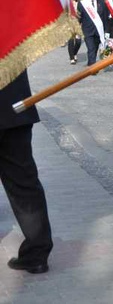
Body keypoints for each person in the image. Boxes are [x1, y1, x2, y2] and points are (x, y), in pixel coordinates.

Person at [0, 71, 53, 274]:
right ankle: (37, 254)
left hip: (17, 108)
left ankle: (36, 253)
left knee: (24, 183)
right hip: (15, 106)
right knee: (24, 182)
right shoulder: (11, 37)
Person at [77, 0, 106, 67]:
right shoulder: (82, 3)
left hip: (98, 30)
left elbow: (104, 17)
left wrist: (106, 31)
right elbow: (79, 17)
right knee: (91, 48)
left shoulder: (101, 3)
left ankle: (91, 62)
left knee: (95, 48)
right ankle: (92, 67)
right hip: (87, 30)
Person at [67, 0, 82, 65]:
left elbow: (81, 15)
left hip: (78, 25)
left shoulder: (78, 4)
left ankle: (75, 53)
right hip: (69, 25)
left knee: (78, 42)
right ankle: (72, 58)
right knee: (71, 41)